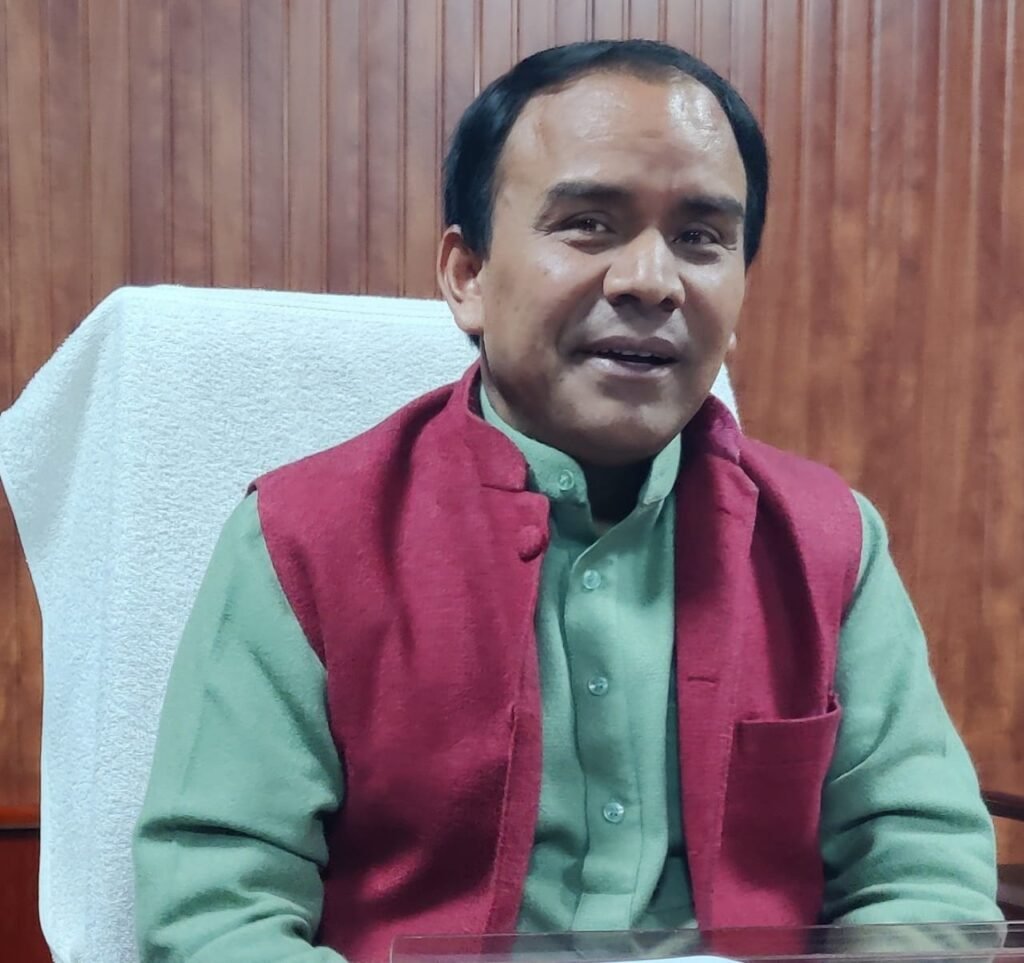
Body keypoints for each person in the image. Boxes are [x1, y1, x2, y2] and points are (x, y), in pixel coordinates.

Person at [132, 39, 1000, 963]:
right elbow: (213, 913)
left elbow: (926, 872)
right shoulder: (302, 540)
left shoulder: (829, 542)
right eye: (589, 224)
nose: (651, 281)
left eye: (701, 238)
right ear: (467, 275)